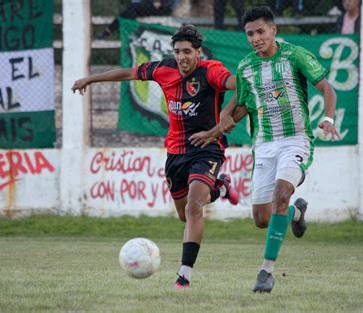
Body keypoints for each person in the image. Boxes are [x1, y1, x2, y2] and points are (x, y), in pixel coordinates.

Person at [72, 24, 239, 289]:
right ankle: (220, 188)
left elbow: (240, 84)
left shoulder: (212, 71)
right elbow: (127, 73)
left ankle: (184, 275)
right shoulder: (163, 69)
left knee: (195, 206)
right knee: (185, 215)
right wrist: (90, 79)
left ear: (198, 52)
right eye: (177, 51)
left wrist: (220, 124)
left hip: (208, 147)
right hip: (175, 152)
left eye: (187, 51)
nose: (182, 57)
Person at [218, 6, 340, 293]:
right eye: (250, 34)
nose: (256, 38)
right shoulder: (246, 66)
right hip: (264, 144)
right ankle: (297, 214)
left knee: (280, 195)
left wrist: (328, 117)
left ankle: (266, 272)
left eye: (261, 31)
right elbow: (244, 103)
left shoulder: (294, 55)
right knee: (263, 219)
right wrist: (222, 120)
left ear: (273, 30)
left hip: (296, 139)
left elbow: (327, 89)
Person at [97, 0, 172, 39]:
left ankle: (108, 31)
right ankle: (108, 31)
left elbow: (158, 5)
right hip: (144, 7)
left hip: (160, 9)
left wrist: (157, 2)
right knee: (127, 12)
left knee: (129, 11)